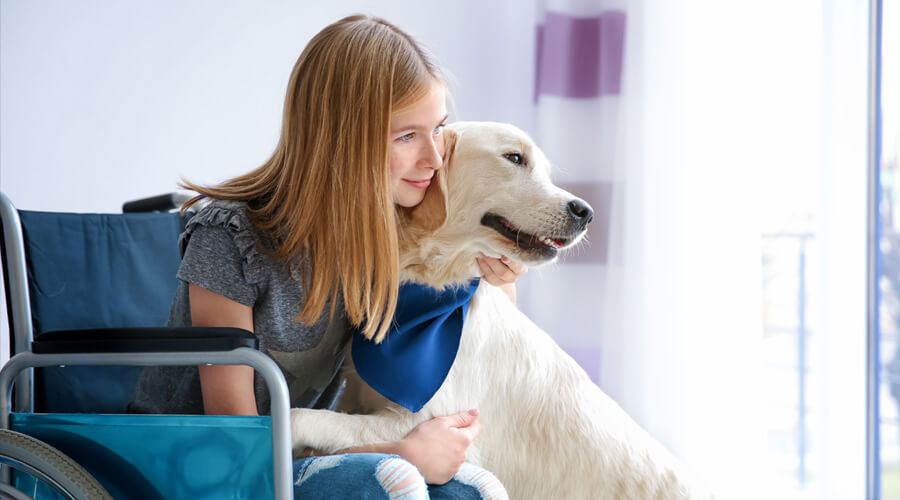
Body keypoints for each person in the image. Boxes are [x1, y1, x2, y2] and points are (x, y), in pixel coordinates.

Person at [129, 14, 525, 499]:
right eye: (406, 136)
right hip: (198, 465)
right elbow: (233, 439)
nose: (435, 158)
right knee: (394, 478)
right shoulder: (229, 238)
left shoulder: (383, 229)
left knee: (472, 490)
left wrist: (498, 273)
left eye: (437, 129)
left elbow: (470, 343)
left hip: (298, 453)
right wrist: (401, 451)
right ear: (341, 139)